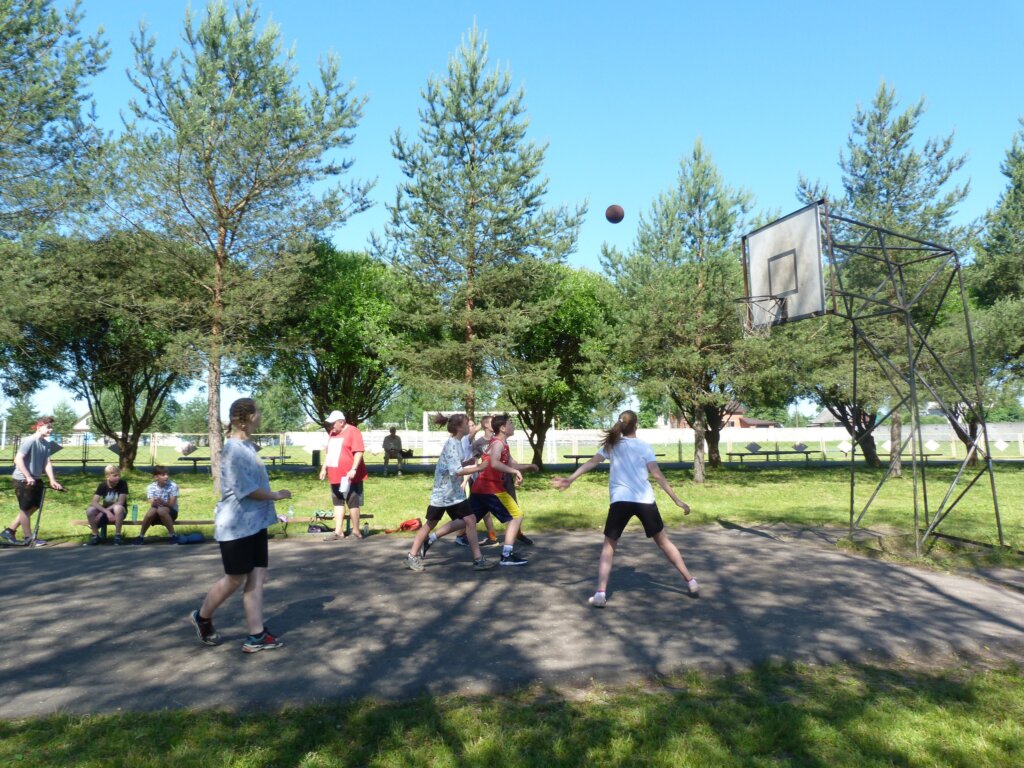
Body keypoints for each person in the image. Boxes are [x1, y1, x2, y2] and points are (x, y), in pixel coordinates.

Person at [551, 409, 699, 607]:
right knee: (664, 542)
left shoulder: (612, 445)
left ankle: (601, 594)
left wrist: (570, 479)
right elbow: (657, 475)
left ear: (621, 425)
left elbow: (592, 463)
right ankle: (691, 581)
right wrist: (677, 500)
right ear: (636, 425)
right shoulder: (644, 446)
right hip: (645, 501)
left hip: (620, 501)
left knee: (608, 547)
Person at [190, 397, 291, 653]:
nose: (260, 416)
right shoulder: (233, 449)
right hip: (235, 524)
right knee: (235, 578)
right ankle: (202, 617)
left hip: (255, 522)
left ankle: (256, 635)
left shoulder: (248, 446)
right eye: (258, 412)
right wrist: (276, 495)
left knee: (258, 576)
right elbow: (246, 489)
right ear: (249, 417)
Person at [404, 413, 496, 572]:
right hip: (443, 494)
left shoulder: (458, 442)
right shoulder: (452, 443)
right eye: (468, 424)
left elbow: (454, 463)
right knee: (430, 524)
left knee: (471, 520)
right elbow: (456, 471)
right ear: (460, 427)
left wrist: (467, 462)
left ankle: (478, 559)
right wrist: (478, 468)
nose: (471, 426)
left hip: (455, 493)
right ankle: (412, 556)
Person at [469, 413, 532, 566]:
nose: (513, 425)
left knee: (465, 519)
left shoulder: (500, 443)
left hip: (481, 488)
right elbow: (495, 464)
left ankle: (430, 539)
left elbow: (510, 464)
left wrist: (528, 467)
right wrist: (515, 472)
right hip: (491, 488)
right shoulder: (498, 443)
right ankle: (506, 555)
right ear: (503, 428)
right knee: (516, 515)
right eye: (511, 423)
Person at [3, 416, 64, 547]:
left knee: (35, 506)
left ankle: (10, 530)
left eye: (51, 427)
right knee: (25, 509)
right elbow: (18, 460)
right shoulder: (29, 441)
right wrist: (27, 476)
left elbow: (47, 462)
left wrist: (52, 479)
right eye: (48, 427)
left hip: (36, 478)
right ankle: (28, 538)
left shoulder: (46, 443)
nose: (50, 429)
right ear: (39, 426)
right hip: (22, 479)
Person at [318, 409, 367, 540]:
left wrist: (354, 469)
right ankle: (338, 531)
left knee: (352, 502)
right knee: (337, 502)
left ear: (341, 422)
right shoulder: (332, 434)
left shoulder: (353, 431)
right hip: (335, 475)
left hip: (349, 476)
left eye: (333, 423)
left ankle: (356, 531)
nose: (331, 426)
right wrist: (323, 469)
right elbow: (329, 454)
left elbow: (359, 451)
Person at [84, 465, 129, 546]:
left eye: (119, 475)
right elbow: (94, 502)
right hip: (106, 512)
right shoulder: (102, 485)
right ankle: (95, 536)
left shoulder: (123, 483)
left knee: (118, 508)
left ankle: (118, 536)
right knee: (90, 510)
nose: (118, 477)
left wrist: (104, 512)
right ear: (107, 476)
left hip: (120, 512)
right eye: (115, 475)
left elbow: (120, 502)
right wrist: (105, 512)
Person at [135, 466, 180, 545]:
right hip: (156, 513)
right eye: (163, 475)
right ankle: (141, 536)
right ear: (156, 477)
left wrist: (163, 502)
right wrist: (154, 502)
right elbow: (151, 502)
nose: (166, 476)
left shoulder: (173, 486)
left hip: (170, 513)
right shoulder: (151, 487)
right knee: (152, 511)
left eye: (167, 474)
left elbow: (172, 505)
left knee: (161, 510)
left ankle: (172, 535)